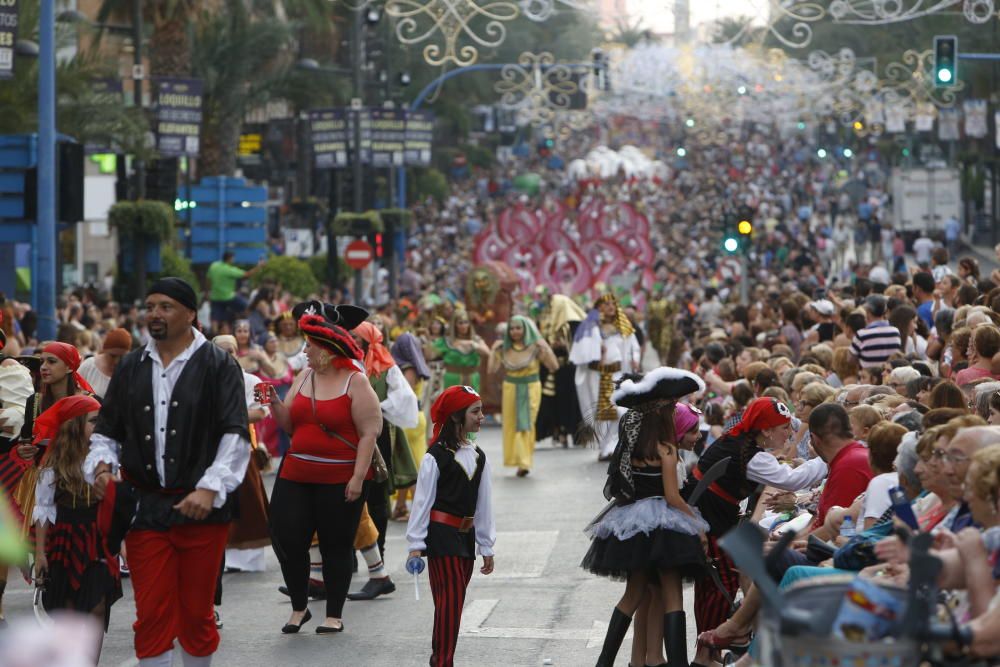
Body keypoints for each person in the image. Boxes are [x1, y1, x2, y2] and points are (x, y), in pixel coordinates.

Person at [86, 277, 252, 667]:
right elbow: (107, 430)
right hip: (144, 508)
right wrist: (102, 467)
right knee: (151, 615)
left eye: (165, 306)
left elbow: (235, 432)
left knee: (197, 613)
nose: (154, 314)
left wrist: (211, 488)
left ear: (190, 313)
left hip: (202, 510)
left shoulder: (217, 363)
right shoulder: (131, 366)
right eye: (150, 306)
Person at [584, 368, 709, 667]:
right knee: (672, 594)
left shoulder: (634, 447)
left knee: (632, 595)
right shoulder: (666, 449)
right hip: (663, 524)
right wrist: (696, 525)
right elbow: (672, 497)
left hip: (631, 523)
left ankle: (604, 663)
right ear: (664, 416)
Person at [266, 309, 380, 635]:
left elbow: (369, 433)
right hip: (296, 473)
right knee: (287, 539)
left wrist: (358, 478)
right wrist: (275, 402)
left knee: (336, 545)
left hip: (340, 477)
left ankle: (334, 614)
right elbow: (289, 424)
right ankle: (300, 608)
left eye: (310, 346)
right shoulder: (303, 376)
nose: (305, 352)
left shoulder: (355, 381)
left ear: (328, 350)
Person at [406, 385, 496, 667]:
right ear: (457, 416)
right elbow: (422, 504)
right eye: (475, 411)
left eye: (481, 410)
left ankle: (440, 658)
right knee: (451, 602)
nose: (482, 416)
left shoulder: (479, 456)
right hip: (442, 537)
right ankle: (443, 661)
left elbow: (484, 506)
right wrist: (415, 546)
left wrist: (486, 544)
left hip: (465, 540)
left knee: (451, 605)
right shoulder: (436, 456)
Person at [32, 395, 121, 661]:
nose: (101, 426)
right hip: (65, 540)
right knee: (68, 613)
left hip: (98, 539)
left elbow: (121, 506)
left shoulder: (109, 461)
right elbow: (43, 510)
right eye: (94, 421)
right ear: (74, 425)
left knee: (97, 607)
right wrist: (40, 554)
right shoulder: (52, 466)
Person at [347, 321, 419, 602]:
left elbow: (404, 398)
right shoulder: (343, 363)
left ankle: (379, 555)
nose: (351, 340)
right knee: (346, 496)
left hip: (378, 436)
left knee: (376, 497)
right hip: (347, 437)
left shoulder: (385, 365)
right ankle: (347, 558)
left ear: (367, 341)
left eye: (355, 337)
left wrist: (373, 409)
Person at [571, 293, 642, 461]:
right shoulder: (591, 327)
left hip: (618, 374)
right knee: (602, 413)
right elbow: (584, 351)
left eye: (613, 303)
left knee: (619, 410)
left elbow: (634, 347)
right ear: (599, 307)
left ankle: (612, 446)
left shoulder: (623, 327)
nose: (610, 307)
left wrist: (635, 359)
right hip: (598, 376)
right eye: (606, 304)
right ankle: (605, 449)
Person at [488, 315, 558, 477]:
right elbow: (491, 370)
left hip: (530, 388)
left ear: (525, 329)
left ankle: (524, 461)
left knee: (526, 423)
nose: (515, 332)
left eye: (518, 328)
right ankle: (517, 460)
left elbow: (553, 366)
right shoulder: (503, 348)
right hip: (510, 388)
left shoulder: (535, 347)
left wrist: (545, 347)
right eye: (512, 328)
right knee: (512, 424)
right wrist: (493, 350)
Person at [390, 332, 433, 520]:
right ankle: (400, 506)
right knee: (406, 464)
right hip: (414, 418)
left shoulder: (407, 368)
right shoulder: (415, 365)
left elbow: (403, 392)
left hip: (409, 419)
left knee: (412, 467)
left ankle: (419, 511)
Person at [432, 311, 490, 391]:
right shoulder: (446, 341)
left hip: (472, 380)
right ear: (454, 325)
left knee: (471, 402)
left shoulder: (476, 340)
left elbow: (487, 353)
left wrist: (472, 344)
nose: (463, 326)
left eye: (466, 322)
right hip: (452, 380)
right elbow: (430, 355)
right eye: (460, 323)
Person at [207, 253, 263, 330]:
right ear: (229, 259)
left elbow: (208, 279)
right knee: (248, 307)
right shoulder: (229, 270)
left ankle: (213, 335)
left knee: (216, 319)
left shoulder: (214, 266)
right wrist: (259, 267)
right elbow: (246, 274)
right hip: (228, 296)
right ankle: (249, 326)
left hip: (215, 296)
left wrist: (209, 292)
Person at [78, 328, 132, 399]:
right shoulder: (89, 366)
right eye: (112, 356)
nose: (116, 361)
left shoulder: (131, 372)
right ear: (105, 351)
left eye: (122, 357)